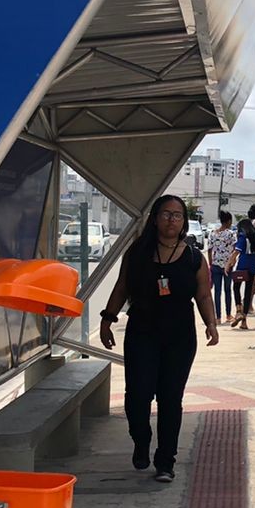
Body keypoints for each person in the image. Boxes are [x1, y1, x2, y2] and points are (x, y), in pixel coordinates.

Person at [98, 194, 219, 481]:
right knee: (137, 396)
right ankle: (141, 439)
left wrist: (211, 323)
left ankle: (166, 461)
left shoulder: (192, 257)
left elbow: (203, 294)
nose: (172, 220)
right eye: (166, 214)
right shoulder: (138, 252)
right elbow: (121, 287)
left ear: (184, 221)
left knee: (170, 398)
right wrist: (107, 318)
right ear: (155, 218)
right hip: (142, 332)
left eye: (177, 215)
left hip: (180, 336)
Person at [229, 210, 255, 329]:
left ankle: (239, 311)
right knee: (248, 290)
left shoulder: (242, 236)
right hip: (253, 266)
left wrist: (229, 264)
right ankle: (244, 321)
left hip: (242, 264)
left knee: (236, 287)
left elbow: (237, 251)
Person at [206, 209, 238, 324]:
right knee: (228, 290)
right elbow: (235, 249)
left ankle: (218, 317)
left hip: (215, 265)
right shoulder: (230, 234)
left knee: (217, 292)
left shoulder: (213, 233)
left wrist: (210, 263)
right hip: (227, 266)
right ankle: (228, 315)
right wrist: (232, 261)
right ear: (228, 221)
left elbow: (209, 250)